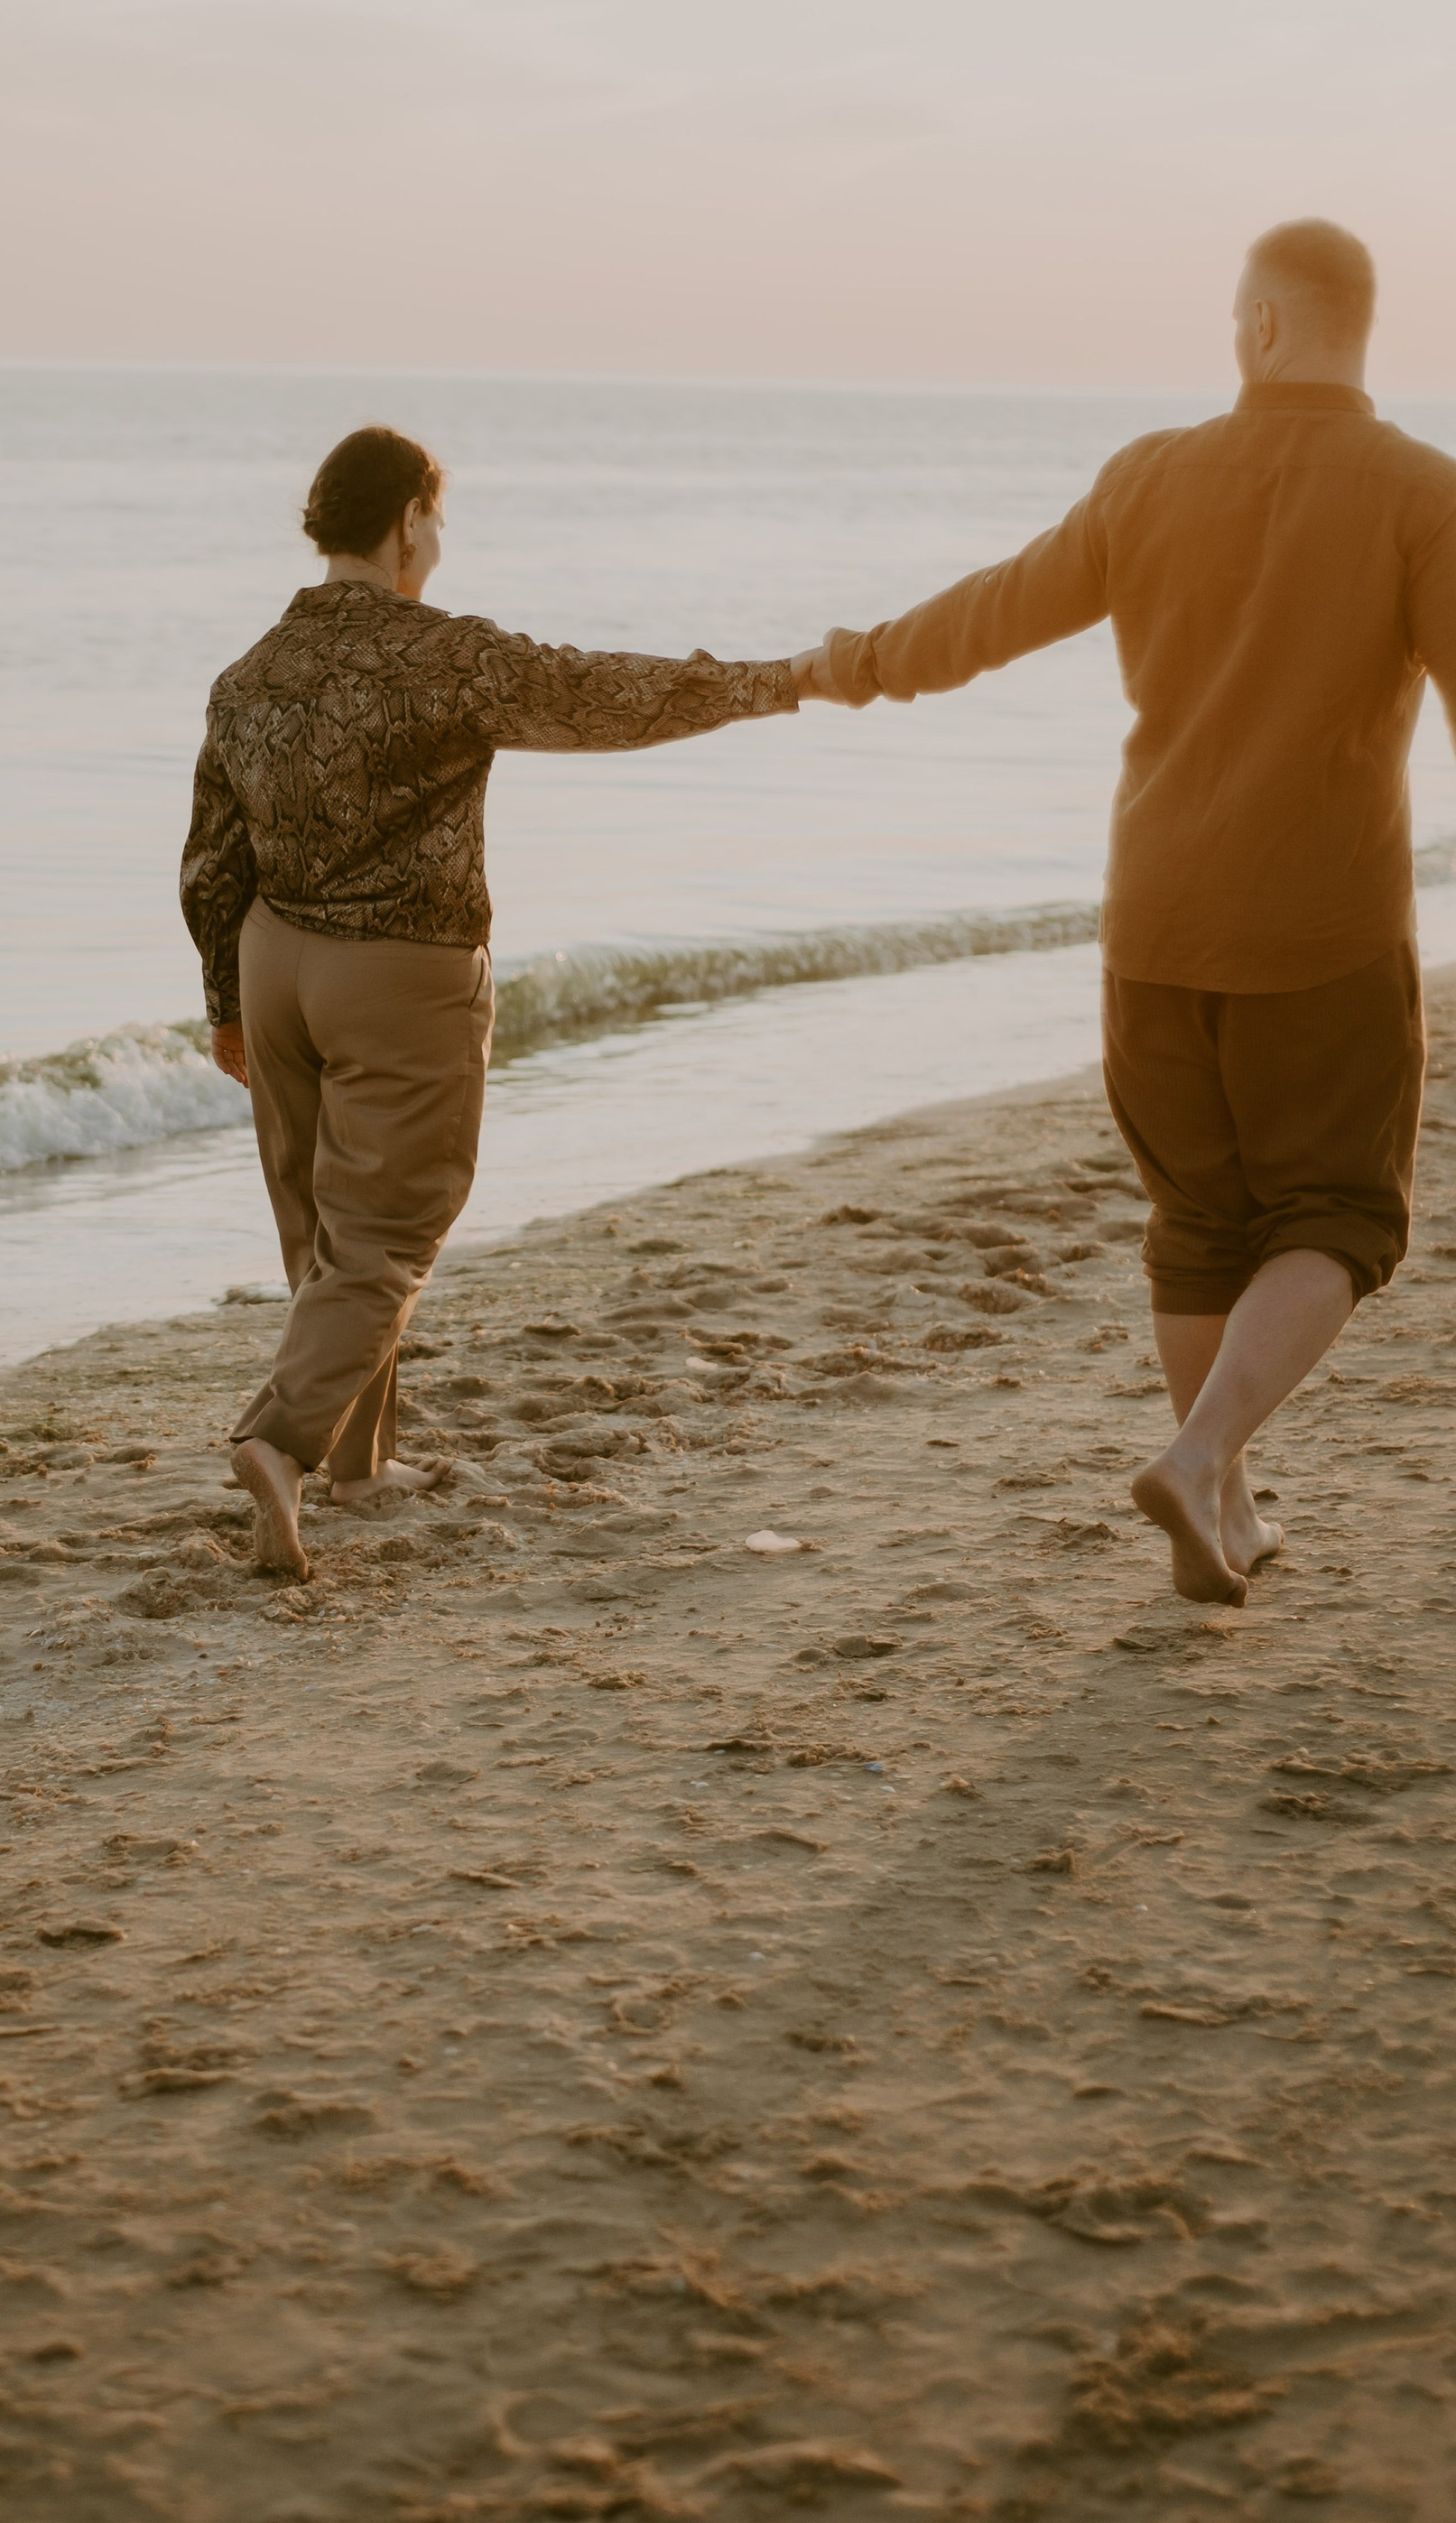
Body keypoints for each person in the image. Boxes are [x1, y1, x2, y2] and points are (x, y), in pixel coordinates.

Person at [800, 219, 1456, 1605]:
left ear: (1268, 325)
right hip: (1320, 934)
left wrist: (850, 665)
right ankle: (1204, 1451)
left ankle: (1221, 1508)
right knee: (1339, 1215)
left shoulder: (1150, 477)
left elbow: (991, 613)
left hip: (1150, 927)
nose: (1232, 338)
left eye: (1235, 317)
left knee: (1200, 1218)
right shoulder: (1420, 493)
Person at [182, 425, 811, 1580]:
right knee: (386, 1230)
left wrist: (225, 1001)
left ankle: (359, 1466)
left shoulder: (248, 676)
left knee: (321, 1232)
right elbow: (598, 695)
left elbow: (208, 861)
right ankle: (278, 1443)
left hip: (276, 966)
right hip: (400, 970)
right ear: (411, 519)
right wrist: (770, 684)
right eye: (438, 515)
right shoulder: (448, 656)